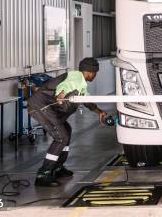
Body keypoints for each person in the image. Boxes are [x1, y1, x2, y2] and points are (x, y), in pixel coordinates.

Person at [27, 57, 107, 186]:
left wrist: (99, 111)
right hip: (41, 107)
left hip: (50, 110)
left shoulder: (81, 84)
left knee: (67, 131)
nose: (95, 75)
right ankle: (44, 174)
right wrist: (61, 94)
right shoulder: (75, 77)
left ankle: (58, 167)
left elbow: (86, 100)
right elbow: (64, 86)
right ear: (90, 72)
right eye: (95, 73)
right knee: (61, 137)